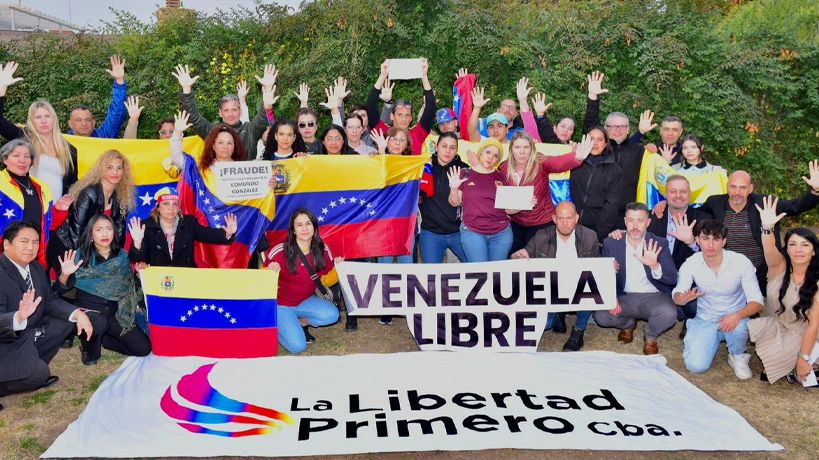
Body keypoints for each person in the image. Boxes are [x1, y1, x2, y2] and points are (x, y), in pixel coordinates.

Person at [0, 221, 93, 400]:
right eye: (24, 241)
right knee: (39, 374)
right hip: (5, 341)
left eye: (35, 242)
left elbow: (49, 300)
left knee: (66, 321)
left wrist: (78, 314)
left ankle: (31, 362)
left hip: (27, 333)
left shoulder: (35, 267)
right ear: (6, 244)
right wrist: (18, 317)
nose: (31, 247)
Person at [697, 162, 819, 290]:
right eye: (733, 187)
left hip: (761, 271)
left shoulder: (764, 203)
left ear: (750, 188)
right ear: (727, 187)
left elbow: (795, 207)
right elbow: (696, 217)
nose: (737, 192)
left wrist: (815, 191)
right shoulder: (714, 202)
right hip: (726, 273)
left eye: (743, 187)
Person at [673, 219, 763, 379]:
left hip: (734, 318)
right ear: (698, 241)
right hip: (705, 318)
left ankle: (738, 355)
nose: (710, 244)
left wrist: (737, 315)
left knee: (740, 326)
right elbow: (678, 295)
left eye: (716, 239)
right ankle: (705, 339)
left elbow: (757, 302)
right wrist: (683, 298)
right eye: (705, 238)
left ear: (724, 241)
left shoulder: (740, 262)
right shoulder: (691, 263)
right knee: (696, 367)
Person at [55, 215, 151, 365]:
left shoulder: (122, 255)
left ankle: (103, 340)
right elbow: (58, 291)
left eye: (108, 229)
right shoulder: (80, 256)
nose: (105, 234)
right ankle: (89, 349)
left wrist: (138, 244)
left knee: (144, 349)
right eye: (99, 230)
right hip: (88, 312)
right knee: (98, 328)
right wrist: (65, 275)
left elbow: (131, 276)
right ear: (91, 234)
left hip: (115, 314)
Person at [511, 201, 600, 351]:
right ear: (554, 219)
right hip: (551, 289)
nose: (565, 223)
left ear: (576, 218)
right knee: (546, 324)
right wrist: (516, 256)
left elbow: (597, 269)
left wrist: (609, 268)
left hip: (578, 287)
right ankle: (558, 313)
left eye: (569, 218)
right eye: (560, 218)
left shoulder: (589, 236)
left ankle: (579, 329)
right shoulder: (541, 236)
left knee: (591, 289)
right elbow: (520, 256)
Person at [749, 196, 819, 385]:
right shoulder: (778, 267)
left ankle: (810, 358)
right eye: (793, 244)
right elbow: (769, 247)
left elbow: (813, 325)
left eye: (805, 245)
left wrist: (803, 357)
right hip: (776, 324)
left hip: (801, 332)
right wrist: (768, 228)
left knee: (770, 369)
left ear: (813, 251)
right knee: (748, 329)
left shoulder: (816, 282)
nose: (798, 250)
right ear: (786, 249)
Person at [594, 202, 678, 355]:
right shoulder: (611, 243)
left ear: (648, 222)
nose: (635, 225)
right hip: (624, 296)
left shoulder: (659, 243)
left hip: (654, 296)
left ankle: (650, 335)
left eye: (640, 220)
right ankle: (628, 325)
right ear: (625, 221)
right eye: (631, 220)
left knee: (669, 313)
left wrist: (655, 266)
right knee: (601, 316)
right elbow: (603, 279)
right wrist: (609, 276)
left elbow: (672, 278)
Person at [264, 209, 341, 353]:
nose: (304, 228)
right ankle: (275, 325)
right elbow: (261, 280)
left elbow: (325, 281)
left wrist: (338, 270)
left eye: (308, 223)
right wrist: (269, 271)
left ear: (314, 227)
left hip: (304, 300)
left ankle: (301, 322)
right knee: (298, 347)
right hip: (281, 305)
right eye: (299, 225)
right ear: (293, 230)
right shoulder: (280, 251)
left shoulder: (323, 249)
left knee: (333, 315)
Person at [499, 131, 590, 253]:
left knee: (538, 260)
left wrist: (576, 157)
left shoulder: (540, 163)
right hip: (515, 222)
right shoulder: (504, 167)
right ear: (511, 150)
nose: (522, 152)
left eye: (526, 147)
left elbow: (557, 163)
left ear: (531, 149)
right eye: (517, 147)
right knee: (515, 257)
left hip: (541, 223)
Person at [583, 71, 657, 216]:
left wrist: (658, 155)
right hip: (599, 211)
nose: (617, 130)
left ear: (628, 129)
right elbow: (590, 126)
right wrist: (593, 98)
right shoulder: (599, 148)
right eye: (612, 126)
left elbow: (654, 174)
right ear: (605, 128)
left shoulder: (639, 150)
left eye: (622, 126)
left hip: (628, 213)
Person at [0, 62, 78, 198]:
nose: (43, 120)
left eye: (47, 116)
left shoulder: (69, 149)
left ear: (54, 119)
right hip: (26, 209)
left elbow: (72, 184)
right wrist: (2, 88)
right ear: (31, 121)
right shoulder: (22, 137)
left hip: (55, 214)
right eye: (38, 117)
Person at [49, 150, 135, 271]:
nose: (115, 172)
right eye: (109, 167)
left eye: (119, 168)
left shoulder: (122, 195)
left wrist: (115, 259)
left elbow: (119, 232)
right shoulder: (90, 193)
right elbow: (76, 233)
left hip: (94, 250)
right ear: (101, 169)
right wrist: (85, 264)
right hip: (68, 248)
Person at [172, 63, 275, 160]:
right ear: (220, 113)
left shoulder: (249, 130)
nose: (230, 114)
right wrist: (186, 90)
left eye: (234, 110)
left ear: (241, 112)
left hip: (247, 178)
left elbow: (262, 119)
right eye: (226, 110)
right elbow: (194, 118)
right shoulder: (212, 131)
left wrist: (267, 102)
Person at [128, 187, 237, 267]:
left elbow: (208, 234)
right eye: (166, 204)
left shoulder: (189, 223)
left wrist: (227, 233)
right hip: (157, 281)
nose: (171, 208)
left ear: (179, 208)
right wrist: (137, 243)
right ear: (158, 208)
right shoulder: (146, 226)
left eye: (175, 204)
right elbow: (135, 259)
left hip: (185, 279)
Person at [447, 138, 514, 262]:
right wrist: (453, 188)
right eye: (488, 152)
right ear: (481, 152)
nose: (491, 157)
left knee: (496, 276)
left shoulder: (502, 177)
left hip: (501, 233)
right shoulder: (465, 173)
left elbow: (508, 209)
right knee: (480, 273)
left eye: (495, 155)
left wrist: (524, 204)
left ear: (498, 160)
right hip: (473, 231)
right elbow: (454, 203)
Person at [0, 139, 60, 265]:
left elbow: (50, 224)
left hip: (35, 254)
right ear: (5, 159)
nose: (22, 160)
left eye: (27, 156)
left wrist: (61, 210)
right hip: (5, 255)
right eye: (16, 155)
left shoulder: (42, 187)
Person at [366, 59, 436, 155]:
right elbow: (370, 107)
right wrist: (382, 76)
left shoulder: (417, 134)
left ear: (411, 118)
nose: (404, 119)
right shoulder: (382, 131)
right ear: (392, 116)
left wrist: (424, 76)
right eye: (400, 115)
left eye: (407, 115)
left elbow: (430, 108)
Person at [419, 133, 469, 263]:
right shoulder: (424, 166)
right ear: (436, 147)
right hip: (431, 232)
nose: (448, 151)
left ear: (457, 150)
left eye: (452, 147)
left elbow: (461, 201)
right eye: (444, 146)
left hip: (458, 232)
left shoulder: (463, 169)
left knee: (475, 268)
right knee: (431, 277)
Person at [569, 126, 623, 242]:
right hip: (569, 225)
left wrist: (599, 233)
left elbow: (611, 204)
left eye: (599, 139)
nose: (595, 143)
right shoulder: (575, 162)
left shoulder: (614, 169)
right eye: (591, 139)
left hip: (596, 230)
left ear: (605, 143)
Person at [67, 56, 129, 139]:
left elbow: (117, 114)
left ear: (93, 122)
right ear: (70, 124)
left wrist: (119, 81)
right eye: (78, 120)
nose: (84, 123)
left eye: (88, 120)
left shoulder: (103, 137)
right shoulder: (61, 144)